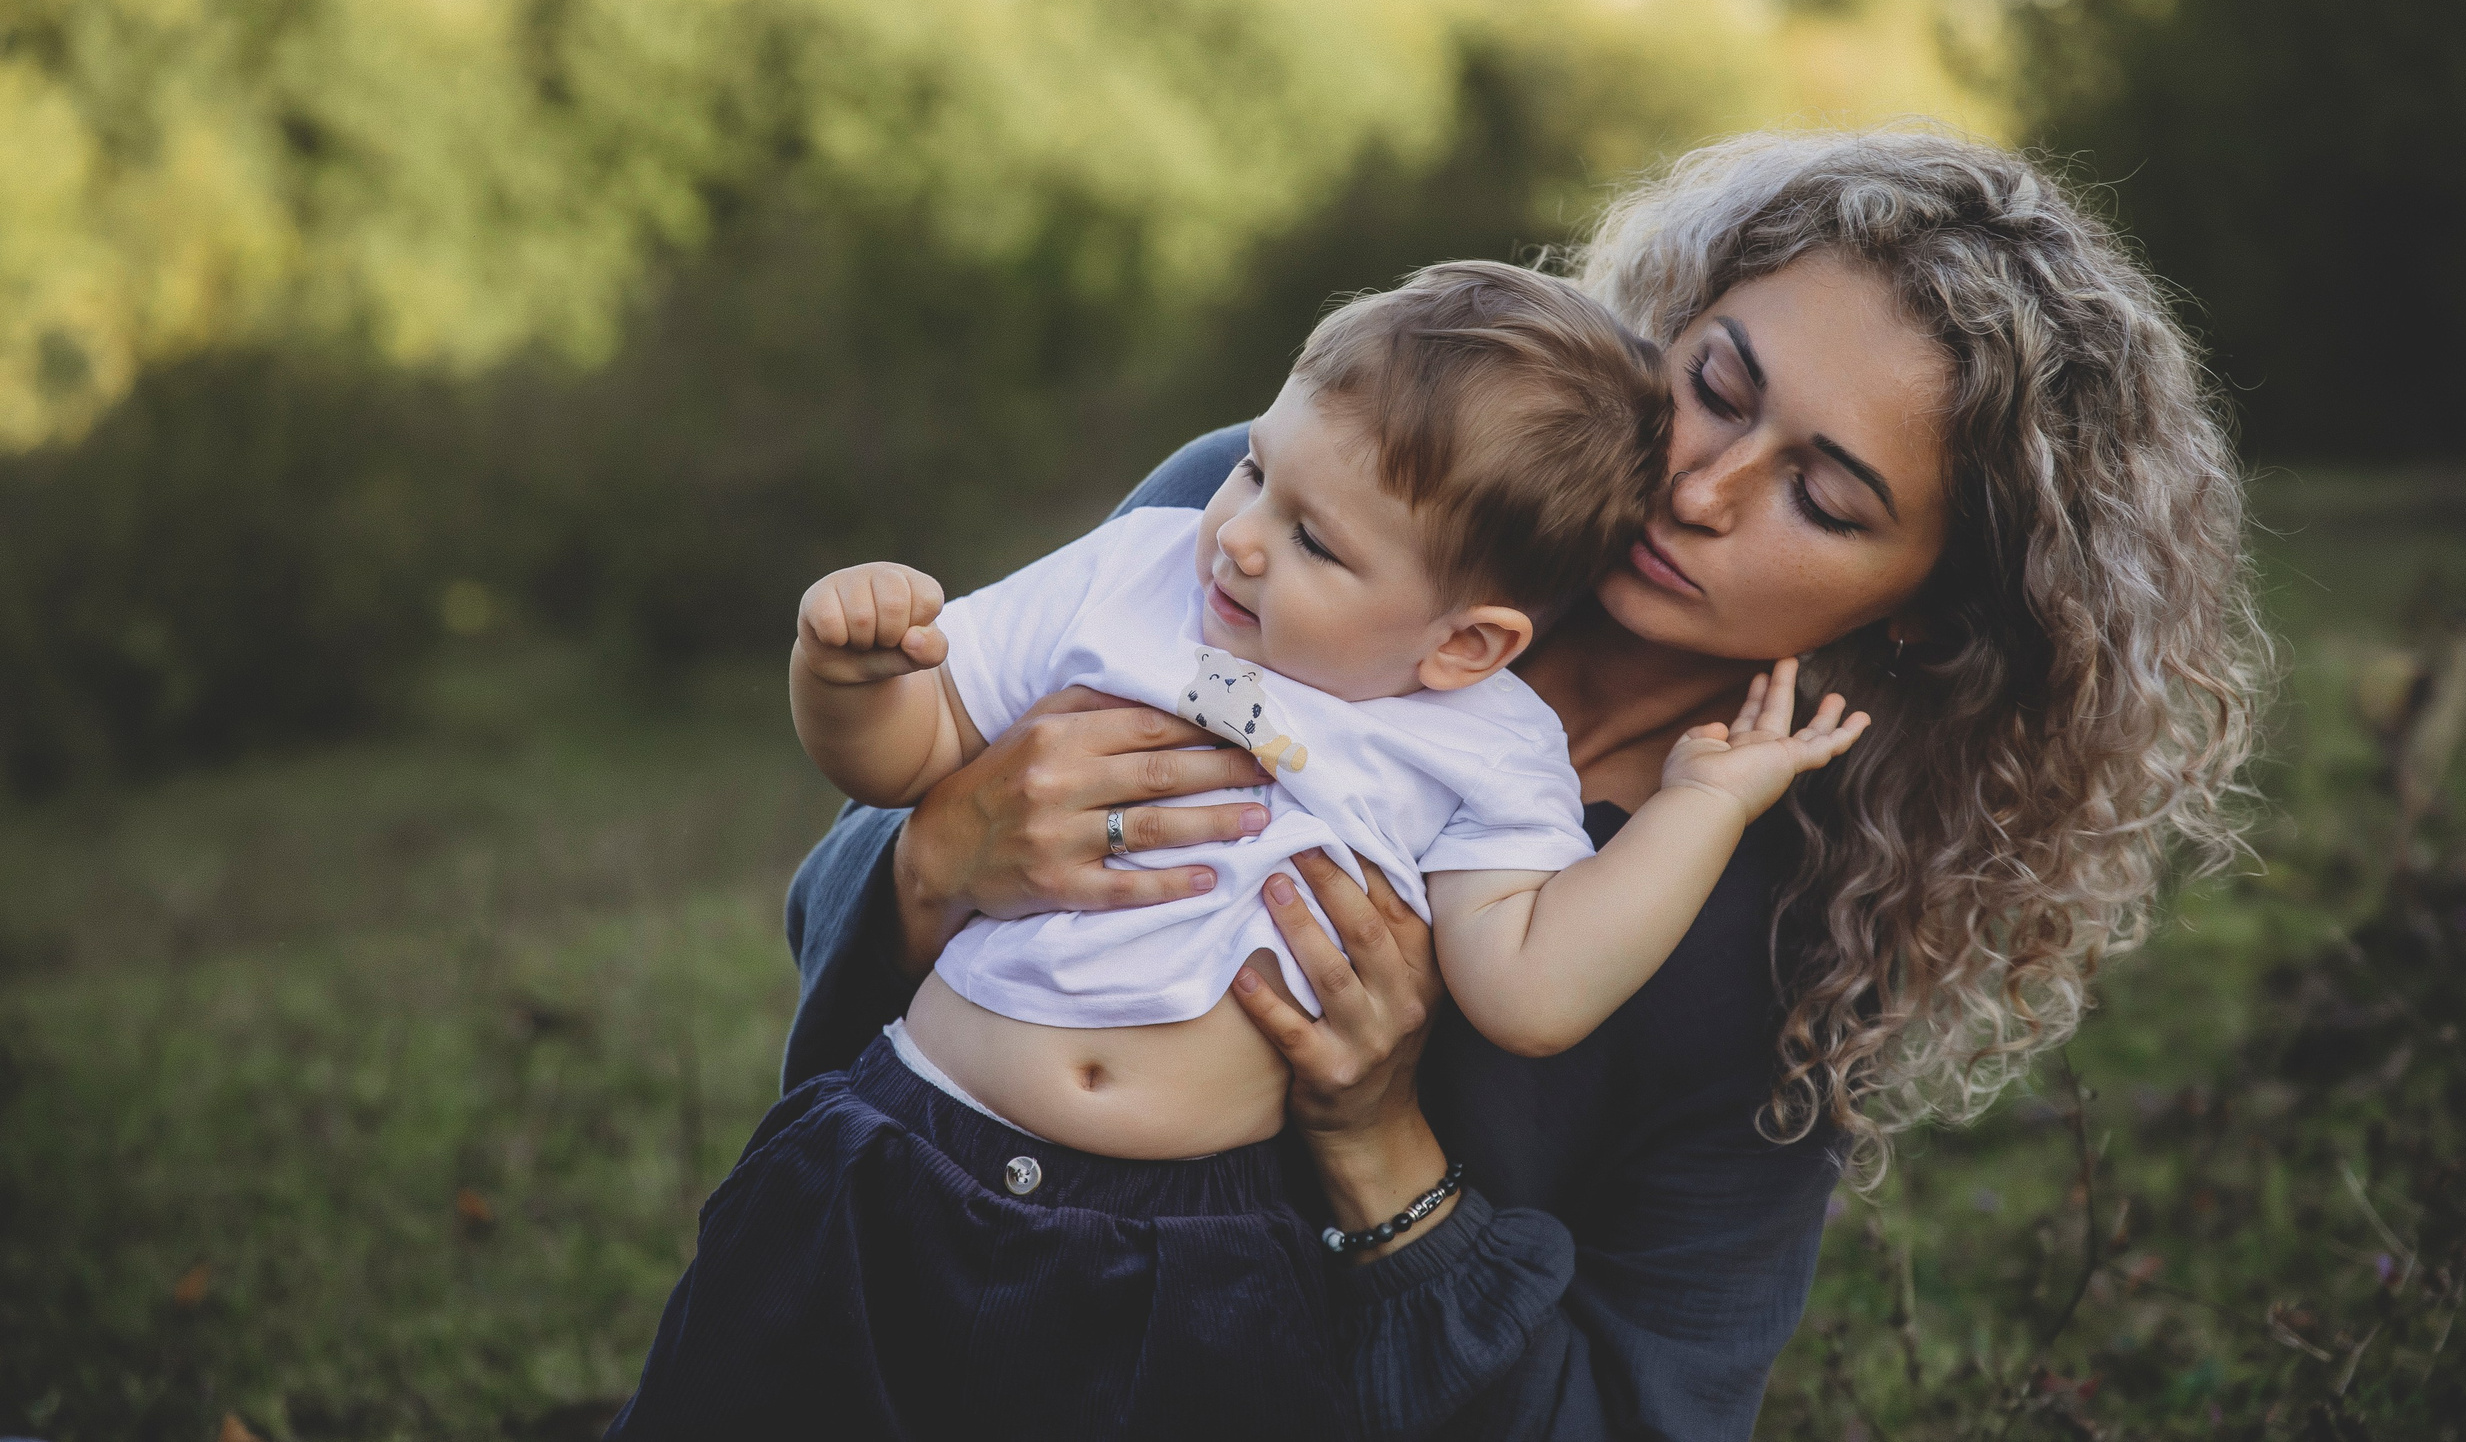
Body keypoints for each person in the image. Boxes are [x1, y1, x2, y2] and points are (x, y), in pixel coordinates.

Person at [781, 127, 2269, 1438]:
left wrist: (1382, 1150)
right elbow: (836, 930)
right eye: (1718, 384)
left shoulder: (1778, 950)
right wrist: (936, 856)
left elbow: (1636, 1414)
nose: (1704, 488)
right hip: (887, 1280)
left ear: (1921, 609)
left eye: (1821, 495)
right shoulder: (1288, 514)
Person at [610, 264, 1866, 1438]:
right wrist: (844, 672)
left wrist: (1697, 806)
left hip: (1187, 1249)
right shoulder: (1152, 570)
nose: (1246, 534)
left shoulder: (1485, 744)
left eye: (1315, 541)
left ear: (1467, 645)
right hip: (894, 1143)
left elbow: (1530, 989)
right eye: (1257, 469)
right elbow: (901, 756)